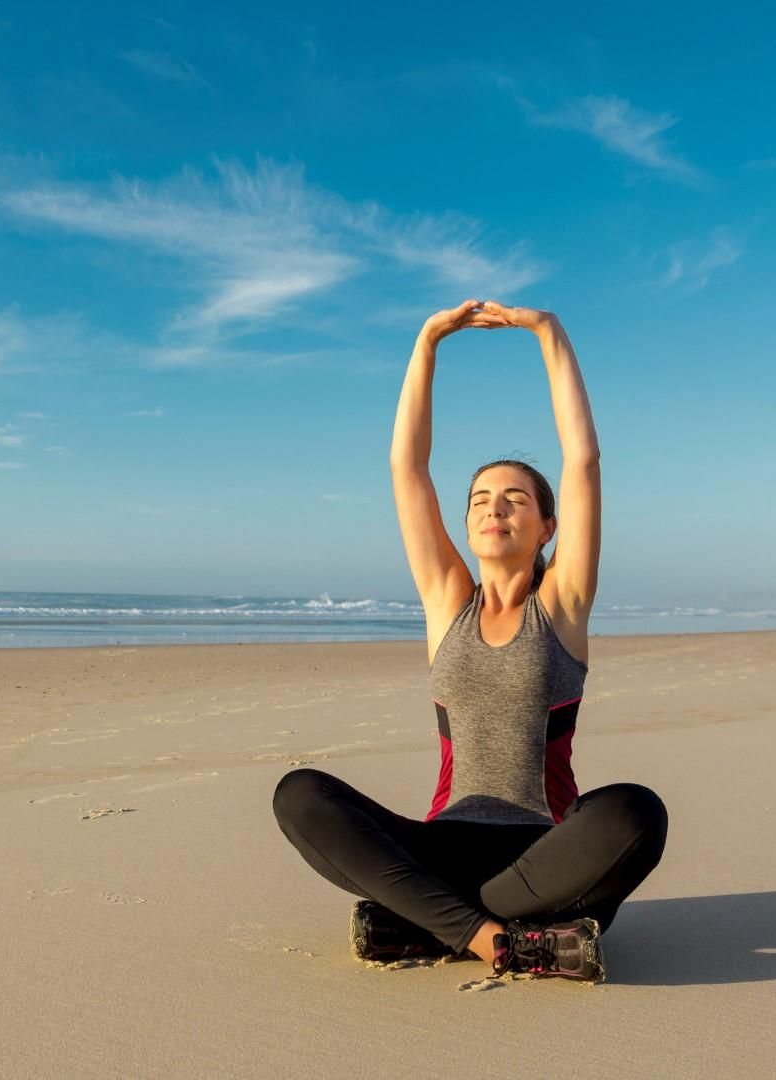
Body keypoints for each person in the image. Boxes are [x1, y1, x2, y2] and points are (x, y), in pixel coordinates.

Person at [272, 299, 668, 983]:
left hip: (542, 854)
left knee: (636, 813)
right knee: (299, 793)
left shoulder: (563, 605)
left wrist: (548, 332)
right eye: (482, 497)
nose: (494, 506)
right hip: (441, 846)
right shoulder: (446, 602)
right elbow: (407, 469)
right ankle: (509, 943)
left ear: (547, 526)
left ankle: (430, 924)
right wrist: (427, 340)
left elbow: (584, 461)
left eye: (515, 498)